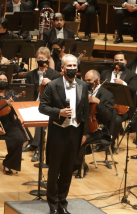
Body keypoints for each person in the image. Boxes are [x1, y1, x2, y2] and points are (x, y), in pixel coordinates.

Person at [39, 54, 89, 214]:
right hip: (58, 132)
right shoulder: (53, 86)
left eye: (75, 66)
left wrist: (84, 133)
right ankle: (53, 205)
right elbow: (42, 107)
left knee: (68, 170)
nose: (73, 68)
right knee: (54, 170)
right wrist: (59, 112)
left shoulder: (83, 85)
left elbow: (86, 111)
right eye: (69, 66)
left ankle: (62, 203)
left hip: (75, 132)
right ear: (62, 68)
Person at [74, 69, 115, 178]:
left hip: (98, 128)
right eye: (85, 80)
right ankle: (74, 163)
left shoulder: (107, 94)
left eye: (89, 80)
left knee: (79, 140)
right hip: (83, 125)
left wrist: (99, 103)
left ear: (97, 80)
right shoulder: (82, 90)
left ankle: (81, 167)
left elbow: (108, 116)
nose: (86, 82)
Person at [23, 47, 60, 161]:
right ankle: (32, 142)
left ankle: (39, 148)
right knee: (17, 117)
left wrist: (50, 83)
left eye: (42, 58)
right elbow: (28, 92)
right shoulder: (30, 74)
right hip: (34, 103)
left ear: (48, 59)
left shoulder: (55, 75)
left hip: (48, 105)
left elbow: (59, 94)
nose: (40, 60)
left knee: (41, 121)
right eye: (38, 58)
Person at [99, 52, 137, 149]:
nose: (119, 62)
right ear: (113, 61)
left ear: (125, 61)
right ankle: (100, 141)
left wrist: (123, 84)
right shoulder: (105, 73)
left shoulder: (132, 75)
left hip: (123, 108)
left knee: (116, 120)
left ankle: (110, 143)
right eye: (116, 60)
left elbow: (133, 89)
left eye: (121, 60)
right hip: (107, 105)